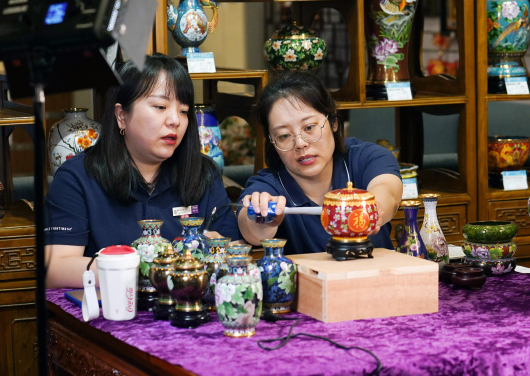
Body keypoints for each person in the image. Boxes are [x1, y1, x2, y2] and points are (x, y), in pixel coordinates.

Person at [45, 54, 240, 288]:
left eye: (183, 111)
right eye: (160, 107)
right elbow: (55, 268)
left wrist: (218, 251)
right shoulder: (77, 177)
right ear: (122, 116)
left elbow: (233, 253)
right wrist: (147, 268)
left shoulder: (202, 173)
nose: (175, 120)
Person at [238, 71, 402, 254]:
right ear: (271, 141)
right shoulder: (268, 185)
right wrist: (263, 218)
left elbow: (388, 192)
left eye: (309, 127)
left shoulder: (366, 157)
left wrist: (372, 209)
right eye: (284, 136)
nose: (300, 143)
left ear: (333, 122)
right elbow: (250, 228)